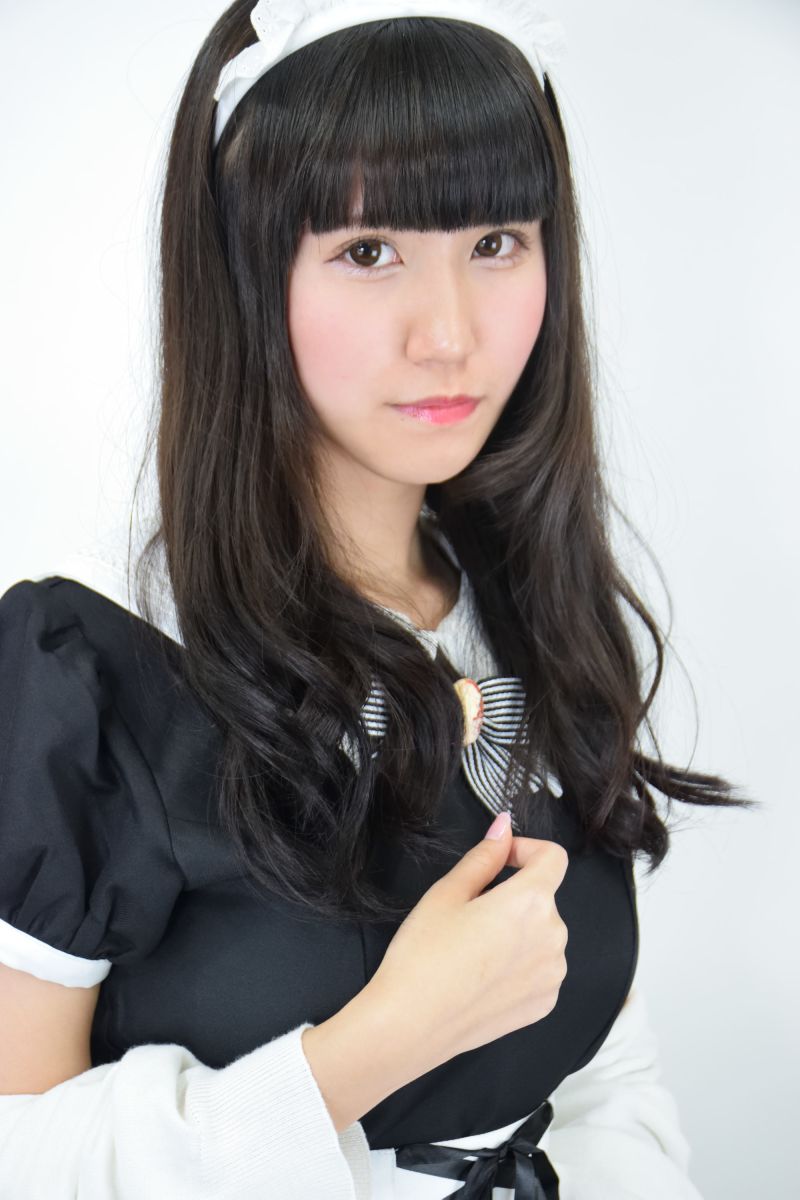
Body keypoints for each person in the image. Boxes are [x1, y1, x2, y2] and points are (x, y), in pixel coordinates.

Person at [0, 2, 754, 1197]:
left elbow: (603, 1074)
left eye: (495, 241)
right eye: (366, 251)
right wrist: (372, 1049)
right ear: (241, 270)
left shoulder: (523, 602)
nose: (449, 334)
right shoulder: (96, 668)